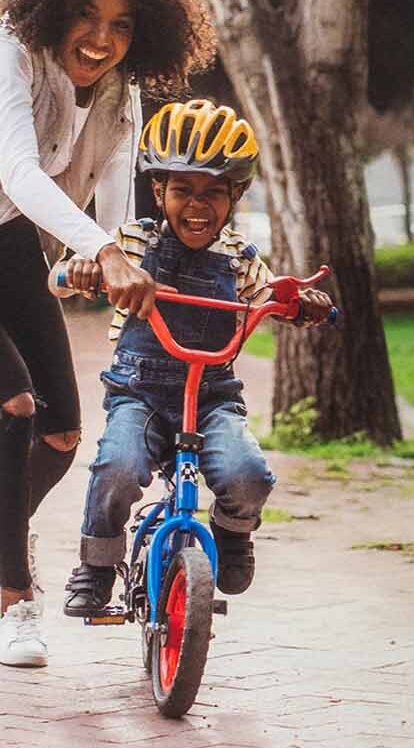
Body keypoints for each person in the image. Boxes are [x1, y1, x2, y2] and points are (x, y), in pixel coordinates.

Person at [0, 0, 216, 669]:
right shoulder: (12, 53)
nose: (100, 38)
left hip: (8, 243)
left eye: (121, 25)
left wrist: (121, 247)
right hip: (12, 214)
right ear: (52, 7)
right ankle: (14, 603)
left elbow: (120, 176)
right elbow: (21, 174)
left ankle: (2, 529)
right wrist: (97, 249)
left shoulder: (120, 90)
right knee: (14, 406)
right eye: (87, 16)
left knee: (60, 433)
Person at [52, 98, 332, 619]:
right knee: (117, 466)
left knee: (248, 474)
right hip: (141, 395)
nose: (197, 205)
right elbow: (62, 278)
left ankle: (231, 533)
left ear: (235, 196)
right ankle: (96, 565)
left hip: (212, 399)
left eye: (214, 192)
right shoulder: (132, 243)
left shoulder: (240, 258)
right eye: (182, 189)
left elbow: (271, 291)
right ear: (158, 191)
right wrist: (81, 274)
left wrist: (299, 304)